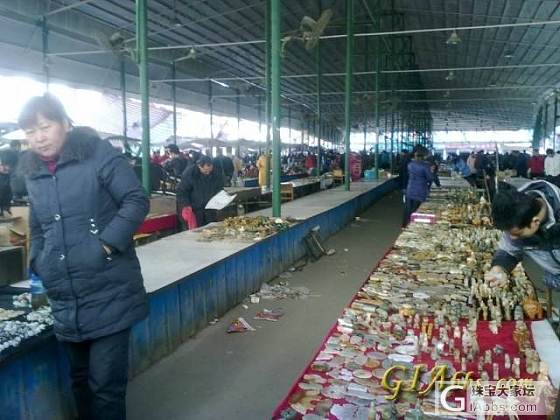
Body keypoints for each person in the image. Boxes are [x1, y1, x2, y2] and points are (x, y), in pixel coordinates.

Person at [17, 93, 149, 420]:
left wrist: (104, 246)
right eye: (31, 132)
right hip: (65, 295)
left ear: (65, 124)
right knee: (79, 381)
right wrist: (40, 260)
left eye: (45, 127)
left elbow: (135, 200)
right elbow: (39, 223)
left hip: (109, 288)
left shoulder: (98, 155)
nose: (39, 137)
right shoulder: (33, 172)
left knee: (105, 385)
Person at [485, 180, 560, 298]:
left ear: (535, 222)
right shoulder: (515, 212)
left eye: (517, 234)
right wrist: (499, 268)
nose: (512, 238)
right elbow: (508, 250)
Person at [177, 155, 224, 227]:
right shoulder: (190, 175)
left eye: (210, 170)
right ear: (199, 166)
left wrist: (221, 197)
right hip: (195, 211)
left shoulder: (215, 174)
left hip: (210, 211)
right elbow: (182, 192)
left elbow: (219, 188)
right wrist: (186, 205)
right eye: (205, 171)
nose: (208, 173)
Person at [403, 148, 433, 226]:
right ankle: (413, 225)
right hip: (420, 190)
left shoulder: (410, 164)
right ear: (423, 156)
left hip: (410, 188)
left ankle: (405, 225)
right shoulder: (425, 165)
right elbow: (430, 178)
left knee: (408, 208)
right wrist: (431, 171)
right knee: (416, 209)